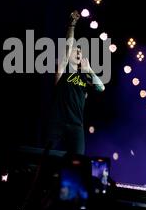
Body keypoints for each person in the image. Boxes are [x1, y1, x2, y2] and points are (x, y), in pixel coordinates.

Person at [45, 10, 105, 155]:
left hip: (76, 125)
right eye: (75, 51)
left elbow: (101, 88)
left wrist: (89, 69)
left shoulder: (85, 77)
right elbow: (68, 47)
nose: (78, 53)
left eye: (80, 52)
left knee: (77, 160)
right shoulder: (62, 70)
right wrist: (72, 25)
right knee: (46, 155)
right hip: (57, 122)